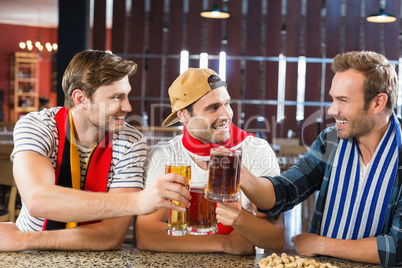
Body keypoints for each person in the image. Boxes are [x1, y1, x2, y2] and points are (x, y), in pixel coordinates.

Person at [0, 50, 191, 251]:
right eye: (116, 97)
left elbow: (110, 237)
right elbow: (38, 200)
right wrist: (137, 201)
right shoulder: (37, 125)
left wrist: (25, 240)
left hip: (43, 247)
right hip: (28, 255)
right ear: (81, 99)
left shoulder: (131, 141)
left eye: (126, 95)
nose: (127, 107)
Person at [240, 51, 401, 267]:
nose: (331, 110)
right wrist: (241, 176)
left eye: (342, 100)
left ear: (378, 103)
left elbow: (397, 248)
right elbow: (286, 190)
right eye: (333, 98)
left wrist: (322, 245)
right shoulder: (330, 140)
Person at [136, 68, 284, 255]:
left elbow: (276, 238)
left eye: (227, 103)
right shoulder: (164, 155)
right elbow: (146, 234)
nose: (226, 115)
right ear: (184, 115)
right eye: (213, 108)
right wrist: (226, 244)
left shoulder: (256, 150)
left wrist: (240, 218)